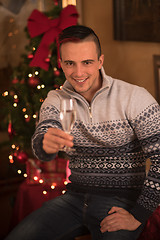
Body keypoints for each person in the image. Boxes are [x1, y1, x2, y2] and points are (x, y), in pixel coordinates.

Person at [5, 25, 160, 240]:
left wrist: (139, 215)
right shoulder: (56, 99)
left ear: (100, 61)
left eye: (87, 62)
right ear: (61, 65)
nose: (78, 73)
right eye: (70, 63)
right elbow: (43, 137)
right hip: (73, 199)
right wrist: (45, 144)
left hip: (121, 202)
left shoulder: (134, 98)